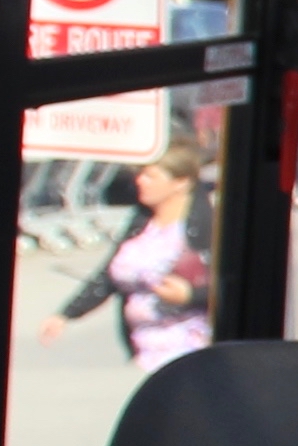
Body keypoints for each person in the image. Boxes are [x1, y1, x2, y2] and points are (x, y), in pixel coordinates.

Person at [33, 147, 213, 373]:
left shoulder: (204, 228)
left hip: (190, 347)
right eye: (140, 174)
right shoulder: (143, 221)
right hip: (144, 349)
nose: (140, 181)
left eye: (151, 176)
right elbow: (108, 275)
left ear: (181, 183)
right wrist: (66, 314)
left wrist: (190, 295)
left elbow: (232, 288)